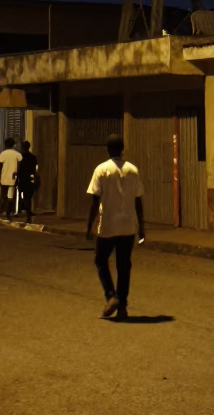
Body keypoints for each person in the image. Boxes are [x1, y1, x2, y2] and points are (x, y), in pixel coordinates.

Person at [85, 133, 145, 321]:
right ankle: (123, 307)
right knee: (124, 266)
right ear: (122, 149)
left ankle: (111, 296)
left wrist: (88, 227)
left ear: (108, 149)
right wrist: (142, 226)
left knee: (101, 260)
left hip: (108, 225)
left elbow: (95, 201)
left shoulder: (101, 170)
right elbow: (138, 201)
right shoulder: (133, 170)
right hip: (128, 226)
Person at [0, 136, 20, 218]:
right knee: (11, 196)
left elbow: (0, 166)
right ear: (13, 145)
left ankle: (2, 210)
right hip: (13, 178)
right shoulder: (17, 154)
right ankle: (10, 212)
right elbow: (20, 165)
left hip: (3, 177)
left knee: (3, 195)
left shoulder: (3, 154)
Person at [16, 140, 39, 221]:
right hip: (30, 178)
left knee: (23, 196)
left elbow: (18, 168)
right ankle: (28, 213)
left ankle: (24, 211)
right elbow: (36, 169)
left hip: (22, 179)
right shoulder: (33, 157)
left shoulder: (20, 157)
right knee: (28, 197)